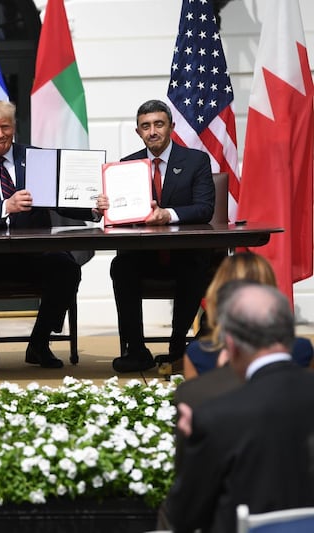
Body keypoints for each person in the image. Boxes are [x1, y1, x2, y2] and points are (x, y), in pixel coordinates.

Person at [0, 100, 97, 372]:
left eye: (6, 127)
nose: (0, 134)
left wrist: (92, 208)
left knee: (67, 268)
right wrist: (6, 206)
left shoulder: (35, 157)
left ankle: (39, 343)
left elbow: (58, 199)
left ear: (14, 127)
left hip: (34, 253)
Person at [165, 281, 314, 533]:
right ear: (289, 336)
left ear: (230, 345)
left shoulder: (215, 418)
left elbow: (184, 517)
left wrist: (191, 444)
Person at [95, 99, 215, 373]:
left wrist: (167, 214)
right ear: (138, 132)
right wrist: (104, 207)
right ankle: (136, 350)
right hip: (143, 255)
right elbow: (119, 215)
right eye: (145, 126)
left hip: (184, 253)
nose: (152, 131)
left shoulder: (196, 161)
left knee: (196, 267)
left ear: (171, 127)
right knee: (120, 267)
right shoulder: (125, 166)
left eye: (158, 124)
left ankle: (177, 347)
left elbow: (205, 208)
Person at [184, 251, 314, 378]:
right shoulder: (301, 349)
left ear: (218, 290)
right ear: (270, 291)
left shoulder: (198, 354)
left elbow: (196, 395)